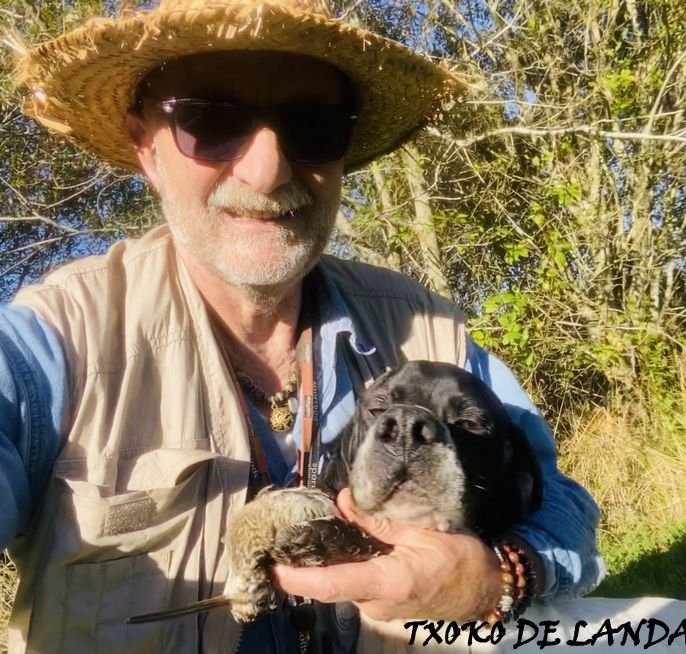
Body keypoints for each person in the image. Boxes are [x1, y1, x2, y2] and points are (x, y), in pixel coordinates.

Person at [0, 1, 604, 652]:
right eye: (210, 119)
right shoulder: (55, 341)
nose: (268, 169)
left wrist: (499, 576)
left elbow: (563, 503)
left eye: (312, 125)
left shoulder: (427, 327)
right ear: (146, 146)